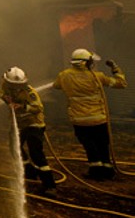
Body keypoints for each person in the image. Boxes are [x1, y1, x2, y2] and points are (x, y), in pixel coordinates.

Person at [53, 48, 127, 180]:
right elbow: (121, 83)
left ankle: (96, 170)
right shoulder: (97, 77)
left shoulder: (64, 75)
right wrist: (115, 68)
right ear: (86, 63)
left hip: (80, 120)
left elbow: (56, 86)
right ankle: (108, 170)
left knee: (89, 145)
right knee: (102, 144)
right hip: (99, 118)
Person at [0, 66, 57, 197]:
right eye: (13, 85)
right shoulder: (5, 87)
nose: (16, 88)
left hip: (34, 124)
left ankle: (49, 185)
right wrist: (7, 100)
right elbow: (0, 93)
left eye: (19, 85)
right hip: (19, 124)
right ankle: (30, 171)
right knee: (14, 147)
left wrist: (23, 106)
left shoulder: (30, 92)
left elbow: (38, 107)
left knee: (36, 153)